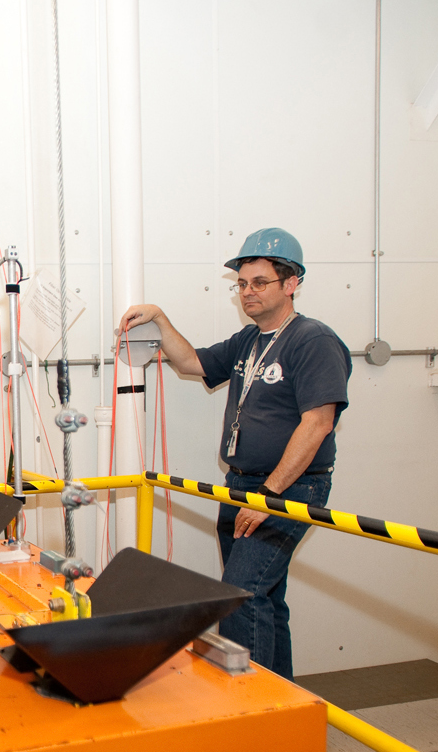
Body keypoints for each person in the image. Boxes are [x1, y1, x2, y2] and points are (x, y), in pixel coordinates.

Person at [118, 228, 351, 679]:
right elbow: (193, 364)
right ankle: (281, 700)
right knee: (262, 597)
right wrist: (162, 322)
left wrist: (268, 496)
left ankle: (252, 705)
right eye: (242, 284)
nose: (247, 292)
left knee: (241, 592)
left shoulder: (313, 340)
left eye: (259, 282)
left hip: (286, 488)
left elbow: (319, 422)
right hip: (242, 485)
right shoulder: (249, 340)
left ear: (292, 283)